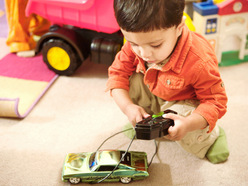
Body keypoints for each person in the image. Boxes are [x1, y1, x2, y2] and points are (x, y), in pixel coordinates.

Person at [106, 0, 229, 164]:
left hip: (184, 101)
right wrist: (128, 107)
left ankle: (212, 137)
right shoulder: (138, 45)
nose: (144, 53)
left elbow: (215, 101)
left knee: (190, 127)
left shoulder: (200, 60)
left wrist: (188, 124)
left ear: (179, 28)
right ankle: (147, 121)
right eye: (134, 43)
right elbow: (116, 75)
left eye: (155, 45)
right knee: (126, 82)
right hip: (156, 90)